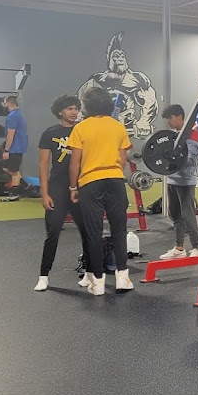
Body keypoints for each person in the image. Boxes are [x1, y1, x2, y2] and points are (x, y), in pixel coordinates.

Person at [68, 87, 133, 296]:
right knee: (119, 230)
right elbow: (122, 160)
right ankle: (123, 278)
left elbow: (74, 163)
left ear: (87, 105)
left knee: (93, 233)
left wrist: (73, 187)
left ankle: (98, 283)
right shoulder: (118, 127)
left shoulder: (80, 128)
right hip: (115, 181)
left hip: (90, 183)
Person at [34, 95, 91, 292]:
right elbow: (43, 165)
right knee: (52, 233)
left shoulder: (83, 130)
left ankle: (89, 272)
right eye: (69, 109)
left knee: (88, 231)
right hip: (57, 188)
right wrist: (44, 193)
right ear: (60, 111)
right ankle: (43, 276)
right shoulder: (50, 133)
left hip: (81, 187)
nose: (74, 112)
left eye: (76, 108)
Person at [77, 32, 158, 138]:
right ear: (109, 59)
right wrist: (81, 119)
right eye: (116, 56)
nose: (120, 58)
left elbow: (150, 100)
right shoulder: (97, 80)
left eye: (122, 56)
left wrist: (144, 122)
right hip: (101, 126)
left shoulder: (137, 80)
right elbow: (80, 101)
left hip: (126, 125)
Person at [158, 104, 198, 260]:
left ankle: (196, 247)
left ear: (179, 117)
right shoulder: (172, 137)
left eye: (170, 118)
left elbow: (192, 160)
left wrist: (176, 157)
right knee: (176, 216)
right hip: (172, 180)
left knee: (188, 216)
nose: (168, 122)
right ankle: (179, 248)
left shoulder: (192, 137)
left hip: (185, 182)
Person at [2, 95, 28, 192]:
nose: (4, 105)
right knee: (6, 168)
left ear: (8, 103)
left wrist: (6, 150)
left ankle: (15, 193)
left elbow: (10, 134)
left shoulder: (12, 116)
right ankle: (25, 185)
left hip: (15, 148)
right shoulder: (18, 114)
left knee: (14, 171)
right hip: (18, 146)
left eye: (4, 102)